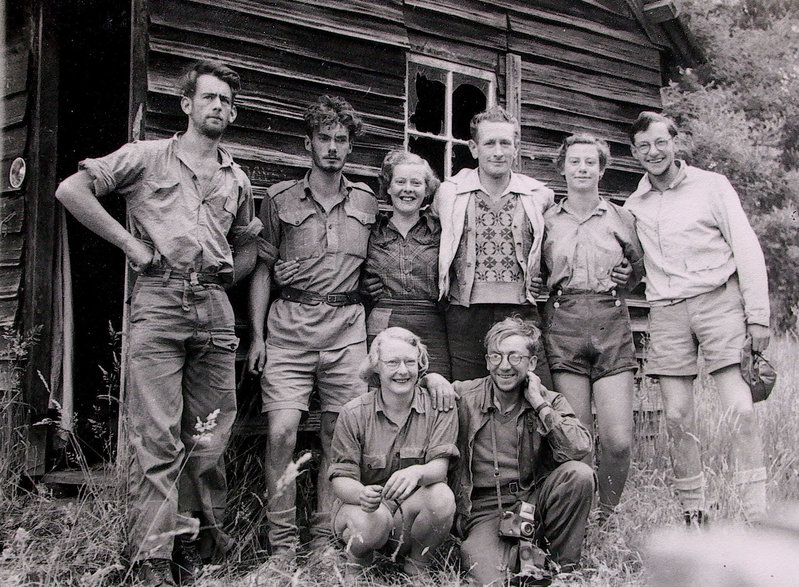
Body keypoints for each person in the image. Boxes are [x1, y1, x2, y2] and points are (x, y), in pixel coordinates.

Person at [55, 60, 258, 585]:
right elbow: (70, 191)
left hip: (214, 306)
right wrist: (130, 246)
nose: (219, 107)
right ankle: (152, 561)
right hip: (160, 300)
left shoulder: (238, 178)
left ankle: (198, 548)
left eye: (226, 101)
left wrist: (231, 271)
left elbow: (241, 249)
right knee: (158, 436)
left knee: (208, 437)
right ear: (187, 104)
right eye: (209, 97)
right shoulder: (146, 157)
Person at [246, 95, 379, 558]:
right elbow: (263, 268)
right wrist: (258, 336)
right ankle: (281, 544)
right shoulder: (280, 198)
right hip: (289, 329)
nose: (333, 148)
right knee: (282, 431)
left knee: (338, 436)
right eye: (325, 138)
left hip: (347, 331)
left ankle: (325, 537)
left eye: (342, 140)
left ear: (350, 147)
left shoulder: (366, 199)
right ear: (308, 143)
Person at [624, 111, 771, 524]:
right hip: (667, 312)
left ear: (675, 142)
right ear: (635, 154)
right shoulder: (634, 205)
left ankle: (754, 514)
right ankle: (694, 512)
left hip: (719, 302)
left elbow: (746, 247)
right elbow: (635, 262)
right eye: (644, 147)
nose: (654, 152)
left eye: (660, 142)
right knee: (676, 416)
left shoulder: (712, 186)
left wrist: (757, 316)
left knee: (740, 409)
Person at [540, 133, 645, 523]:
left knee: (617, 441)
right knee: (576, 439)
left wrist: (627, 275)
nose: (582, 168)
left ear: (602, 169)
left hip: (610, 323)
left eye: (590, 162)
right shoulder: (548, 218)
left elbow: (638, 269)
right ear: (563, 168)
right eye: (575, 161)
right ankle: (579, 522)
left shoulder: (622, 217)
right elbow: (536, 270)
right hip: (564, 324)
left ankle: (609, 514)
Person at [448, 316, 594, 585]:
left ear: (532, 363)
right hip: (486, 509)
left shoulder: (548, 400)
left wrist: (539, 403)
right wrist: (433, 379)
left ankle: (564, 569)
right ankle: (517, 557)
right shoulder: (464, 396)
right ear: (487, 359)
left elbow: (579, 447)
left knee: (579, 474)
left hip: (534, 500)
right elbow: (417, 393)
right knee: (488, 578)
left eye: (515, 357)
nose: (504, 366)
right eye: (496, 357)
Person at [431, 106, 556, 387]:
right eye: (489, 143)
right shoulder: (449, 191)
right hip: (465, 313)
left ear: (516, 148)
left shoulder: (539, 195)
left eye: (505, 143)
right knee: (468, 394)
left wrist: (543, 279)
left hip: (521, 310)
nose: (498, 151)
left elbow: (555, 244)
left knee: (535, 390)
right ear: (474, 148)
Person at [329, 327, 458, 578]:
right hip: (364, 511)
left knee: (441, 496)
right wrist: (362, 493)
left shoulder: (439, 406)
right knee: (370, 523)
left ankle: (417, 569)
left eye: (410, 362)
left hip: (409, 515)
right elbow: (340, 479)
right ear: (376, 366)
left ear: (420, 365)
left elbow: (440, 468)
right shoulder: (354, 413)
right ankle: (357, 565)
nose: (402, 371)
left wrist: (418, 472)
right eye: (392, 362)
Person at [364, 150, 451, 378]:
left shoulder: (441, 231)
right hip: (384, 318)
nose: (408, 189)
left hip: (430, 321)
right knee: (386, 389)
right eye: (400, 182)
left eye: (416, 183)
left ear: (427, 189)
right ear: (389, 187)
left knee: (436, 390)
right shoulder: (372, 232)